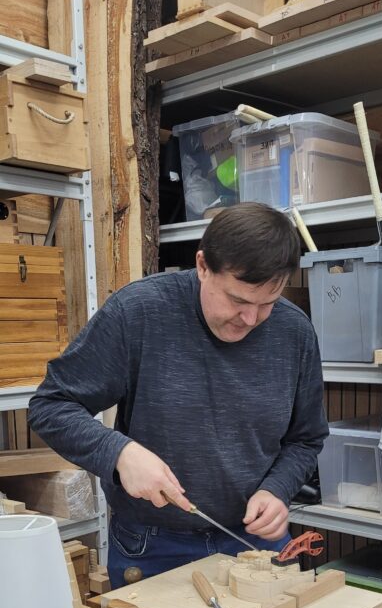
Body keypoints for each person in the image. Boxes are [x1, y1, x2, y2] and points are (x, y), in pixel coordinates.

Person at [28, 203, 328, 587]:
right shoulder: (139, 312)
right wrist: (120, 453)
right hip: (153, 547)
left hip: (255, 543)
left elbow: (306, 439)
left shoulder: (294, 332)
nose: (250, 319)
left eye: (267, 303)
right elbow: (50, 406)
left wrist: (277, 489)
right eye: (237, 301)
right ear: (202, 266)